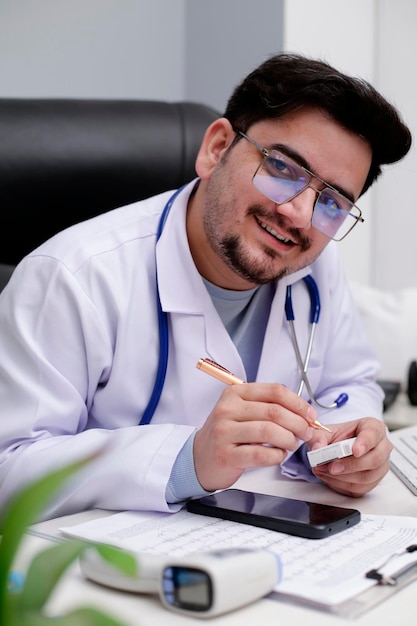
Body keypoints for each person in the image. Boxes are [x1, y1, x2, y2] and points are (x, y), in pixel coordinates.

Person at [0, 53, 411, 521]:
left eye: (332, 201)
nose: (299, 214)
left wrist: (347, 440)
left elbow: (349, 381)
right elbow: (8, 468)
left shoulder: (317, 266)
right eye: (282, 169)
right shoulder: (72, 276)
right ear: (216, 149)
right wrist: (185, 460)